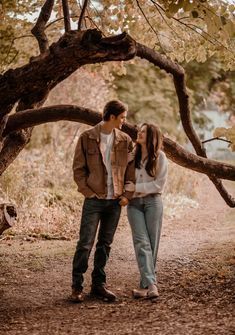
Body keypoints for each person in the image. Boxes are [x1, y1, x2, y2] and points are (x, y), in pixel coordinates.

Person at [71, 100, 135, 303]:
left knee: (105, 244)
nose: (125, 121)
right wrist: (87, 192)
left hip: (115, 202)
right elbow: (78, 169)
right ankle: (76, 287)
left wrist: (127, 194)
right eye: (123, 117)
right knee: (85, 244)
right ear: (112, 116)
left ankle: (98, 286)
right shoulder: (87, 137)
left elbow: (131, 171)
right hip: (94, 200)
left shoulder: (125, 140)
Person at [125, 123, 168, 299]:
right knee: (141, 243)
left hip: (153, 203)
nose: (139, 133)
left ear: (152, 137)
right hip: (133, 204)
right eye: (139, 131)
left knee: (152, 244)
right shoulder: (131, 156)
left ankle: (145, 286)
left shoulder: (160, 157)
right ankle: (152, 285)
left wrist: (135, 187)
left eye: (144, 132)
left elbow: (159, 184)